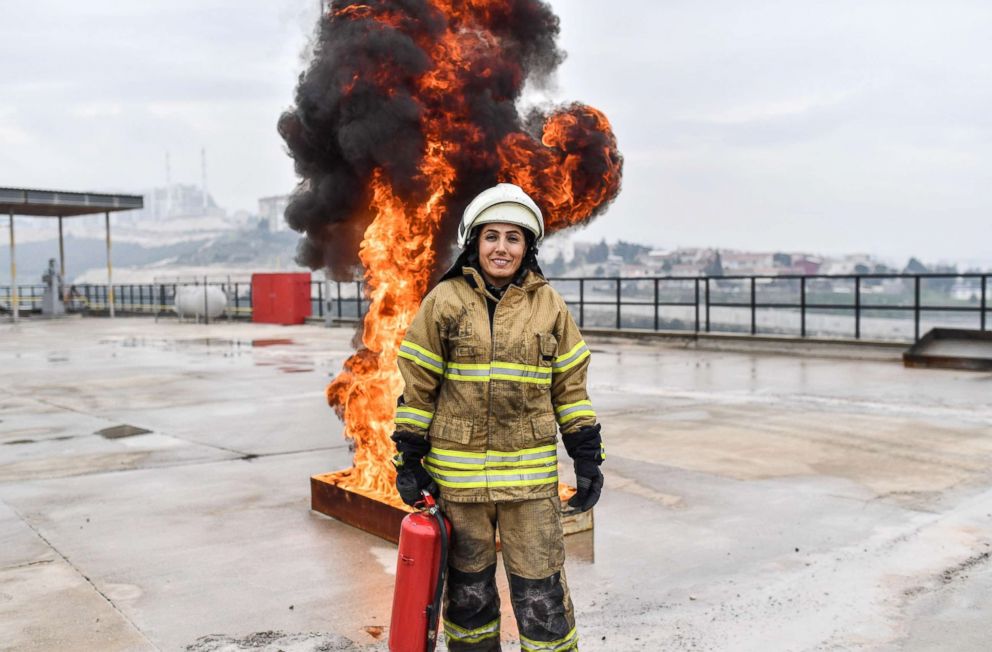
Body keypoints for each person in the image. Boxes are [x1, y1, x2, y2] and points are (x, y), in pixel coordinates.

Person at [391, 183, 605, 652]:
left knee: (542, 600)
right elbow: (418, 388)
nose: (502, 247)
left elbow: (571, 389)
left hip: (530, 489)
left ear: (528, 246)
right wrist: (408, 460)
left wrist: (588, 459)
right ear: (475, 241)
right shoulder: (443, 301)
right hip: (460, 488)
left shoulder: (549, 306)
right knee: (468, 602)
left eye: (514, 237)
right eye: (492, 236)